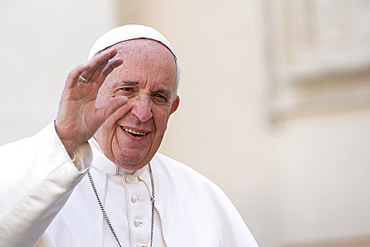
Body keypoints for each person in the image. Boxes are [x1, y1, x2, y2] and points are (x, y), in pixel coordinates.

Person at [0, 24, 258, 247]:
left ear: (172, 108)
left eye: (159, 97)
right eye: (127, 90)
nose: (143, 112)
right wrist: (64, 141)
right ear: (95, 93)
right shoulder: (27, 172)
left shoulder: (203, 197)